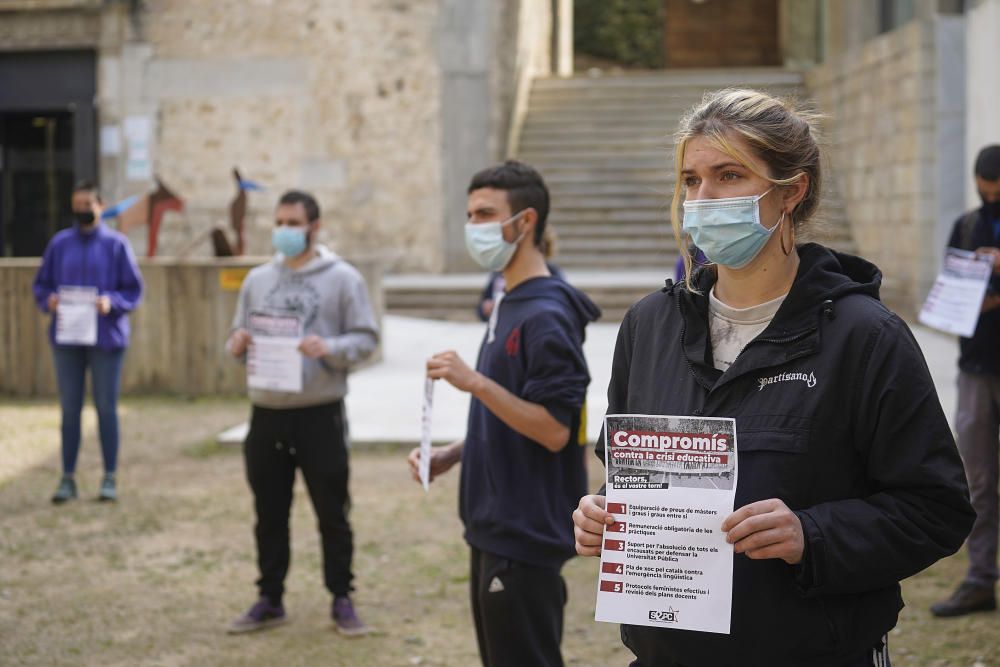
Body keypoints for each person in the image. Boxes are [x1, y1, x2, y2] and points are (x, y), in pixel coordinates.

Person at [571, 89, 974, 666]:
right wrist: (604, 513)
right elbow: (636, 475)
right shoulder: (648, 326)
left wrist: (813, 535)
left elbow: (937, 510)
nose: (702, 199)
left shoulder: (865, 337)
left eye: (728, 175)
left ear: (791, 190)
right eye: (690, 180)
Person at [408, 160, 600, 667]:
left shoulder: (546, 314)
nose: (474, 228)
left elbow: (556, 430)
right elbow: (510, 416)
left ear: (525, 222)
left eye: (486, 214)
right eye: (470, 215)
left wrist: (473, 382)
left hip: (524, 534)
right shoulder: (510, 300)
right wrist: (453, 455)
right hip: (492, 526)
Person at [225, 190, 378, 636]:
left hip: (320, 413)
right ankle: (270, 598)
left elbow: (366, 339)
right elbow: (239, 332)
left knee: (332, 511)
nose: (284, 231)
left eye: (293, 223)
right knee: (269, 512)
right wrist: (236, 343)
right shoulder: (258, 279)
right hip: (267, 412)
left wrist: (329, 348)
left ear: (314, 226)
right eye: (279, 222)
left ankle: (342, 597)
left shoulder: (343, 279)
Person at [32, 180, 144, 504]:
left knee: (107, 408)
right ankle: (67, 477)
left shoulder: (117, 245)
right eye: (77, 204)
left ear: (100, 205)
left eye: (87, 204)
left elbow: (133, 291)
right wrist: (48, 301)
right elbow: (41, 286)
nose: (82, 210)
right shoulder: (59, 244)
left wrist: (112, 303)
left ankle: (109, 476)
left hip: (106, 340)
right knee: (70, 409)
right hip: (67, 340)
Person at [931, 144, 1000, 618]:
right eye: (984, 188)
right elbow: (954, 295)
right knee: (977, 479)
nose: (989, 196)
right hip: (977, 369)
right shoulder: (967, 225)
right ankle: (979, 580)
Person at [477, 226, 564, 321]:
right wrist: (486, 308)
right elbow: (482, 306)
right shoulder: (500, 272)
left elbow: (560, 306)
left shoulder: (552, 275)